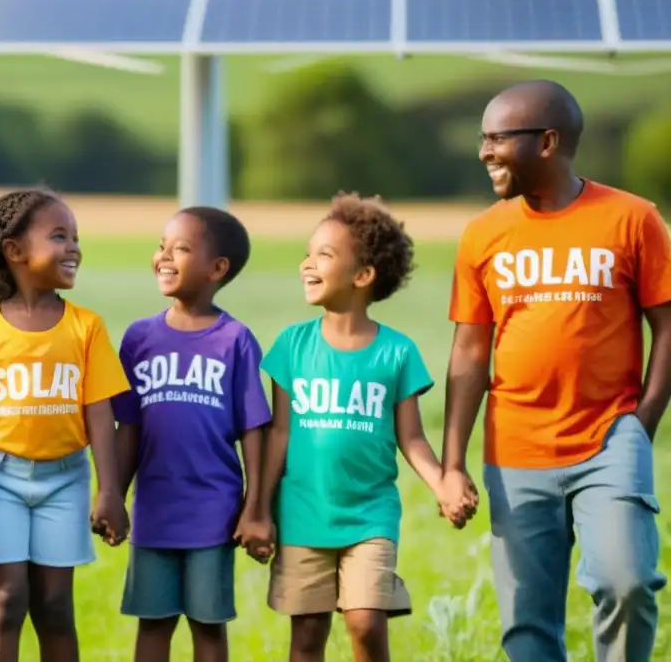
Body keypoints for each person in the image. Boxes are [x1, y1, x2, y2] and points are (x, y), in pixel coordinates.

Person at [440, 79, 671, 662]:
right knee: (526, 624)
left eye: (497, 139)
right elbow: (469, 352)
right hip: (514, 447)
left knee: (629, 582)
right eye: (482, 138)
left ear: (547, 142)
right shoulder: (483, 233)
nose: (484, 152)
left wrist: (641, 423)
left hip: (610, 438)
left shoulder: (633, 219)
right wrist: (451, 463)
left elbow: (668, 327)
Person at [238, 193, 472, 662]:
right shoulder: (292, 346)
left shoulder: (397, 352)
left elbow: (411, 437)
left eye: (323, 255)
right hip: (303, 513)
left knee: (366, 623)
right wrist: (257, 508)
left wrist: (443, 483)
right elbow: (278, 435)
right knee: (306, 635)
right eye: (308, 252)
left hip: (370, 515)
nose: (307, 263)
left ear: (363, 276)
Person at [0, 188, 130, 662]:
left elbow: (100, 413)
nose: (74, 248)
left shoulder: (86, 327)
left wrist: (109, 491)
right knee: (5, 602)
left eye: (76, 237)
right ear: (15, 251)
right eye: (59, 236)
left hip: (65, 481)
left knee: (55, 607)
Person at [112, 206, 272, 662]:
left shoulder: (235, 339)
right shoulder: (139, 338)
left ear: (217, 268)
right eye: (161, 246)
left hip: (213, 511)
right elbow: (128, 426)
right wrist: (113, 496)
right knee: (153, 622)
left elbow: (254, 429)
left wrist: (255, 507)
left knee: (207, 625)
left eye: (180, 249)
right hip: (154, 509)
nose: (163, 256)